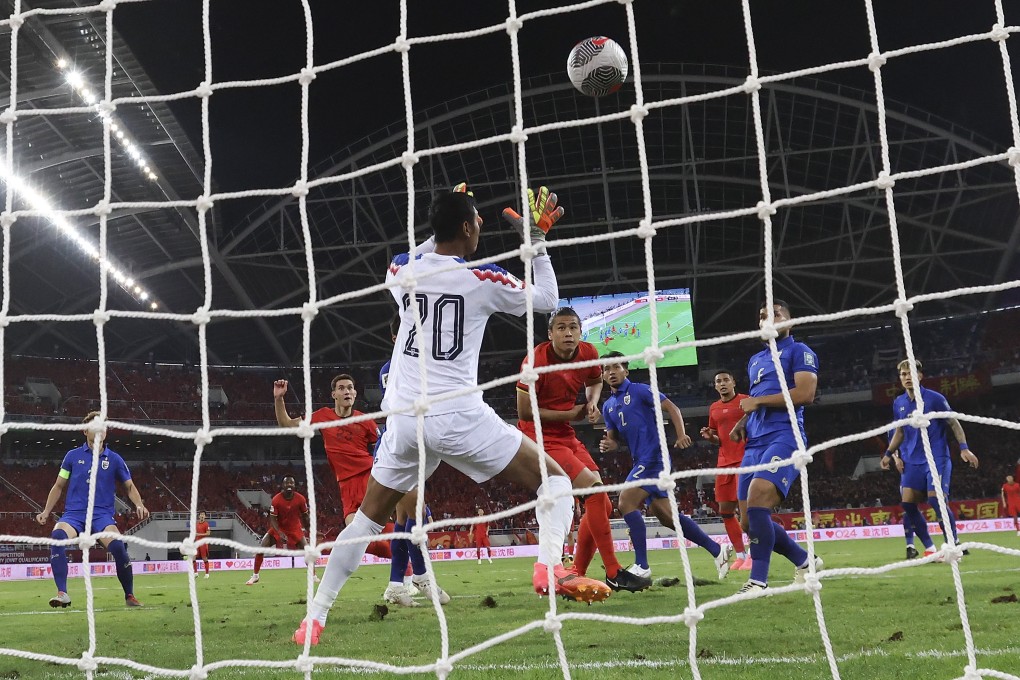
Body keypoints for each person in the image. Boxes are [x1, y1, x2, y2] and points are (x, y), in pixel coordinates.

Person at [292, 185, 610, 646]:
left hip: (404, 422)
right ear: (466, 227)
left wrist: (441, 220)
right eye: (476, 219)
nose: (481, 225)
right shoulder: (482, 278)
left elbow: (411, 254)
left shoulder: (402, 270)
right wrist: (537, 241)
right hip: (458, 417)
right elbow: (547, 299)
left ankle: (315, 618)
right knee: (556, 482)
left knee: (364, 521)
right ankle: (549, 567)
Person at [516, 307, 649, 593]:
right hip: (539, 436)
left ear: (580, 331)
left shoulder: (589, 353)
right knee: (595, 493)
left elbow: (594, 381)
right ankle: (613, 572)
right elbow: (524, 412)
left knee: (603, 504)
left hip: (565, 433)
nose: (568, 333)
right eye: (561, 328)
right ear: (550, 333)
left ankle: (576, 572)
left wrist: (591, 403)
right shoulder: (535, 361)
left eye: (573, 327)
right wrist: (571, 414)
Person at [599, 352, 732, 582]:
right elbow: (613, 439)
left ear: (626, 370)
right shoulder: (608, 406)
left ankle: (642, 566)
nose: (611, 372)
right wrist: (610, 444)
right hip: (639, 460)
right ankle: (717, 550)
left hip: (655, 458)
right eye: (606, 369)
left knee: (626, 501)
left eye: (616, 367)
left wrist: (681, 435)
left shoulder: (639, 390)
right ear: (602, 375)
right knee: (668, 518)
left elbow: (672, 408)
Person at [730, 301, 820, 594]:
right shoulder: (755, 359)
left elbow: (805, 393)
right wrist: (743, 420)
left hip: (785, 436)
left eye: (775, 315)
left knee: (758, 499)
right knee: (748, 522)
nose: (766, 319)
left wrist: (757, 402)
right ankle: (805, 561)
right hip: (755, 441)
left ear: (789, 323)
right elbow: (759, 398)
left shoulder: (800, 351)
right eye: (761, 316)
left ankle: (758, 581)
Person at [35, 411, 149, 608]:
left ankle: (129, 595)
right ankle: (62, 593)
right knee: (57, 537)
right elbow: (59, 485)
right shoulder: (72, 457)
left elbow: (129, 486)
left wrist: (139, 504)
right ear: (85, 431)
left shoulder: (114, 459)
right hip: (74, 514)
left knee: (119, 547)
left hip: (102, 515)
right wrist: (46, 511)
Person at [274, 374, 391, 561]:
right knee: (358, 539)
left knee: (388, 531)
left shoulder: (366, 421)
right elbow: (286, 425)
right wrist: (279, 398)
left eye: (350, 388)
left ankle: (408, 569)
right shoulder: (323, 416)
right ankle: (405, 564)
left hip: (369, 479)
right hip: (345, 486)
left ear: (355, 393)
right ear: (334, 394)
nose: (347, 391)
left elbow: (385, 447)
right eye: (342, 388)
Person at [378, 313, 451, 609]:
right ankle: (421, 576)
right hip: (400, 446)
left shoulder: (427, 364)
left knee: (402, 520)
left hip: (419, 446)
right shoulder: (391, 369)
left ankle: (396, 584)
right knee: (416, 513)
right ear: (396, 337)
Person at [881, 359, 979, 556]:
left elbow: (953, 422)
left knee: (936, 501)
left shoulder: (935, 398)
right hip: (911, 461)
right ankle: (930, 548)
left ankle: (953, 542)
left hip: (936, 458)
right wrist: (889, 454)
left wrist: (964, 448)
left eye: (911, 373)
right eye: (903, 374)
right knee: (908, 504)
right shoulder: (899, 403)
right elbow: (899, 431)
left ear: (920, 376)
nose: (907, 377)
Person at [700, 370, 750, 570]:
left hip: (745, 460)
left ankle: (755, 555)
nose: (722, 384)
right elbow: (718, 438)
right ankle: (741, 555)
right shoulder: (714, 408)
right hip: (723, 464)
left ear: (733, 382)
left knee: (748, 513)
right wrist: (709, 437)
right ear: (715, 386)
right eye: (718, 381)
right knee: (726, 511)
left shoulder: (746, 401)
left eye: (726, 380)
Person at [246, 476, 311, 585]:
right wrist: (279, 533)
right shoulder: (276, 500)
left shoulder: (300, 499)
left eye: (291, 483)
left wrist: (310, 530)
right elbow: (273, 519)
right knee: (261, 548)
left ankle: (313, 576)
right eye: (287, 483)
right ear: (283, 485)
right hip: (279, 528)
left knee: (307, 551)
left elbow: (305, 516)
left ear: (294, 485)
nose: (289, 485)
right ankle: (255, 576)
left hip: (295, 529)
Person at [194, 511, 211, 578]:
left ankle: (207, 574)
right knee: (193, 557)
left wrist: (199, 534)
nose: (202, 515)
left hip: (203, 543)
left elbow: (208, 533)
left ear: (205, 516)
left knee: (204, 558)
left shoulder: (206, 524)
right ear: (199, 516)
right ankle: (196, 573)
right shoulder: (197, 524)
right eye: (201, 514)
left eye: (203, 514)